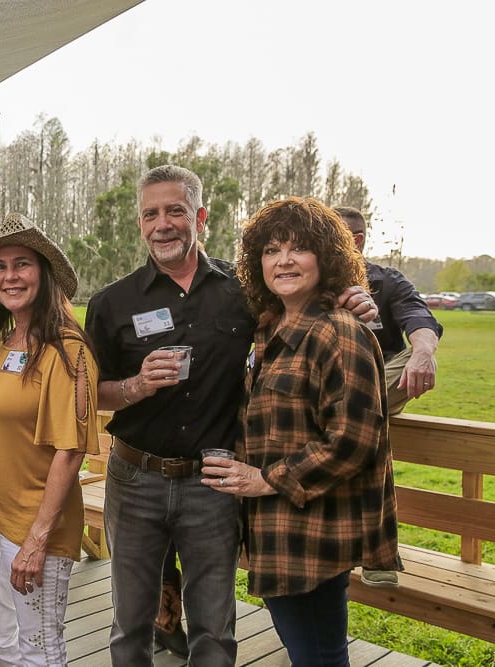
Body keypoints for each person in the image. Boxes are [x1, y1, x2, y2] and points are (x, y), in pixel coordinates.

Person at [84, 165, 379, 665]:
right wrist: (136, 385)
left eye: (175, 211)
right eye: (151, 214)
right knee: (130, 623)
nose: (162, 224)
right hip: (135, 480)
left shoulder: (245, 291)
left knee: (215, 626)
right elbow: (93, 394)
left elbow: (305, 308)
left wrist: (355, 300)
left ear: (200, 217)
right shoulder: (111, 303)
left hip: (214, 482)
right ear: (140, 223)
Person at [203, 197, 401, 666]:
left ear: (326, 258)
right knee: (309, 652)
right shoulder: (270, 327)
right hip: (277, 531)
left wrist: (263, 479)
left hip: (313, 534)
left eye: (299, 248)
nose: (284, 260)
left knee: (319, 656)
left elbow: (353, 440)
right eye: (271, 250)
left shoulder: (339, 331)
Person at [0, 212, 99, 666]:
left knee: (40, 647)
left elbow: (71, 451)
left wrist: (37, 538)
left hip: (39, 523)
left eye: (21, 264)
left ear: (43, 272)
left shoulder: (67, 350)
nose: (10, 276)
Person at [333, 206, 440, 414]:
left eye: (331, 236)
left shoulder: (389, 281)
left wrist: (423, 353)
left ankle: (343, 410)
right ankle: (352, 411)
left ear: (356, 241)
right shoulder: (310, 278)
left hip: (379, 376)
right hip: (326, 374)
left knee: (422, 354)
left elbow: (418, 316)